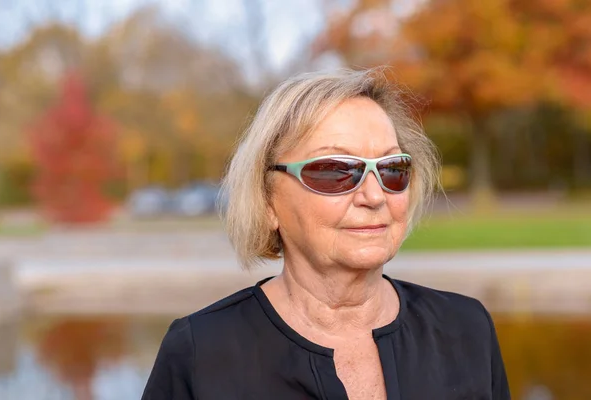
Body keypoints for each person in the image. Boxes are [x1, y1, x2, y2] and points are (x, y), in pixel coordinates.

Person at [141, 68, 511, 400]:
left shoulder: (465, 329)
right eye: (335, 171)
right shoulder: (201, 352)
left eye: (392, 169)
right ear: (268, 200)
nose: (374, 195)